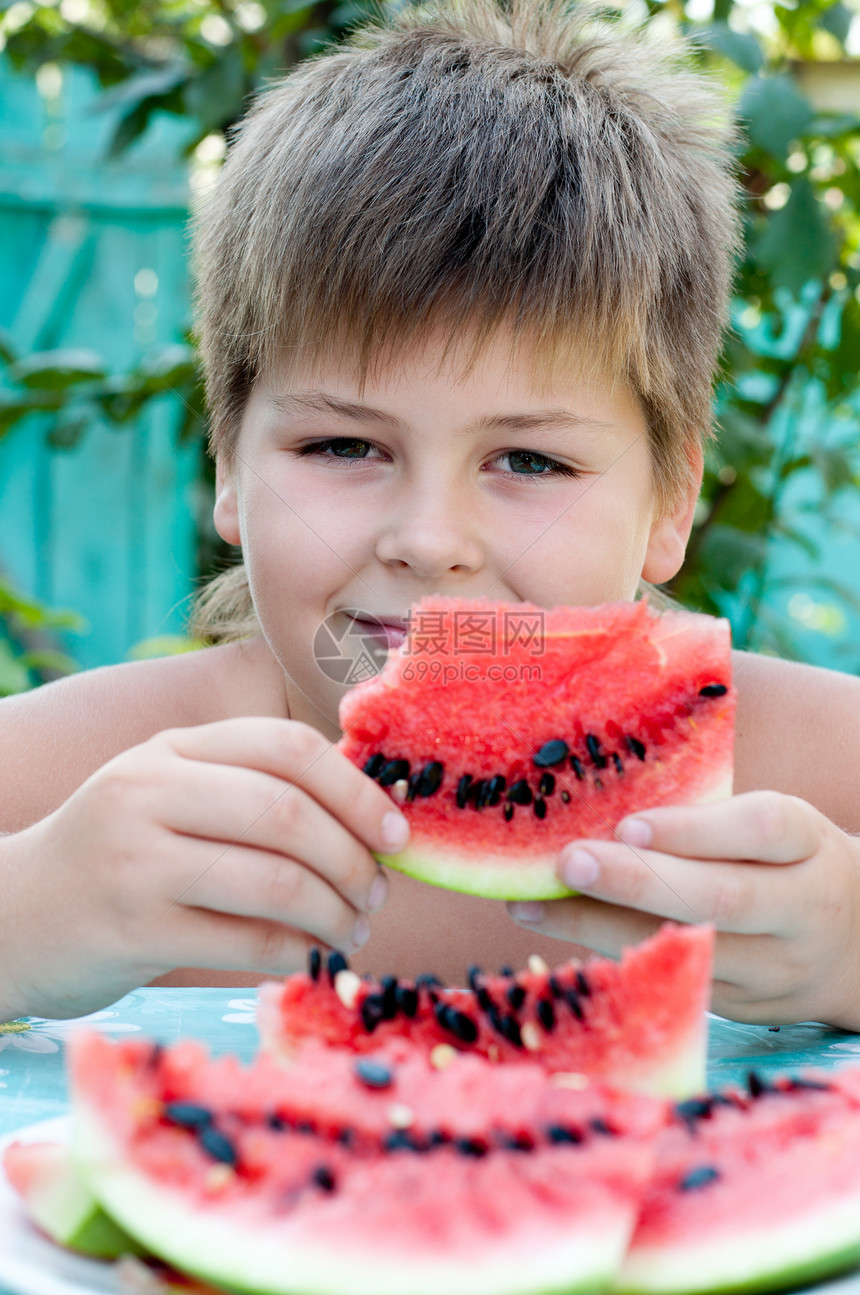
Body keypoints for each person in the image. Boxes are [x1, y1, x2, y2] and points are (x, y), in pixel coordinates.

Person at [2, 0, 860, 1029]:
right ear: (230, 465)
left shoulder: (799, 768)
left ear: (669, 500)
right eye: (343, 447)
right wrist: (26, 914)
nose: (426, 539)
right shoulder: (68, 781)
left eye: (528, 460)